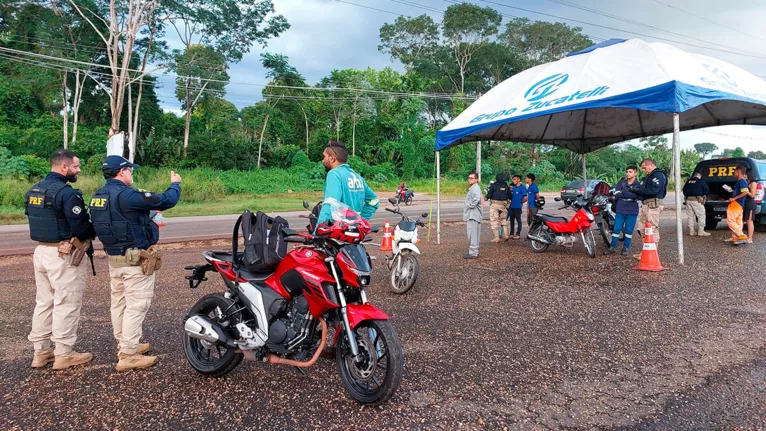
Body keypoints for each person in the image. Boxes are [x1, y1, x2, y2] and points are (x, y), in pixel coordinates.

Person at [90, 155, 181, 371]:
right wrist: (176, 184)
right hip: (134, 261)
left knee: (119, 304)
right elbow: (166, 201)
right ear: (122, 172)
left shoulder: (98, 196)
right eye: (130, 170)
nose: (132, 173)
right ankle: (128, 355)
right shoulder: (127, 195)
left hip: (114, 258)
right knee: (136, 305)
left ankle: (125, 344)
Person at [25, 149, 96, 370]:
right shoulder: (67, 193)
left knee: (44, 302)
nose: (78, 170)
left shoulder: (34, 190)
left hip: (41, 252)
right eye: (76, 166)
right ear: (64, 167)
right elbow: (81, 227)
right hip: (63, 254)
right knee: (66, 302)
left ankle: (41, 352)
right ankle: (64, 354)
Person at [316, 141, 379, 227]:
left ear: (332, 158)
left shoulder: (334, 174)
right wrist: (359, 221)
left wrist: (318, 231)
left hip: (338, 233)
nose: (323, 160)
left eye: (324, 156)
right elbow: (374, 201)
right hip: (354, 234)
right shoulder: (357, 177)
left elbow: (330, 204)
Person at [628, 158, 667, 257]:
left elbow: (652, 191)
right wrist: (635, 190)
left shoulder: (658, 175)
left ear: (650, 165)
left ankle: (652, 254)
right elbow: (643, 189)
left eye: (645, 168)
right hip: (645, 204)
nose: (644, 170)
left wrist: (637, 191)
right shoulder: (648, 177)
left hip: (653, 205)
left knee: (652, 229)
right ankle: (645, 252)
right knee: (642, 229)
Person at [604, 166, 640, 256]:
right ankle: (612, 247)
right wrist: (629, 194)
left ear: (635, 173)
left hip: (632, 211)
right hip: (620, 209)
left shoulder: (638, 185)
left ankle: (626, 248)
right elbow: (616, 194)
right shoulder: (621, 183)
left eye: (630, 172)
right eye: (627, 171)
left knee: (629, 231)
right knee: (616, 229)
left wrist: (624, 193)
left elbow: (637, 196)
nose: (628, 173)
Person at [682, 172, 711, 237]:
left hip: (688, 200)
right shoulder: (700, 181)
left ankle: (691, 231)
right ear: (699, 176)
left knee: (690, 216)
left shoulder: (688, 181)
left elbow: (684, 190)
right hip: (697, 200)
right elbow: (707, 190)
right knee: (701, 215)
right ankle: (701, 231)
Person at [486, 174, 511, 242]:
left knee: (494, 221)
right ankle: (506, 235)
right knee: (503, 220)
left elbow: (489, 194)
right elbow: (510, 196)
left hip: (494, 205)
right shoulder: (506, 186)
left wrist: (487, 197)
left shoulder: (493, 185)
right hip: (503, 205)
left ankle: (497, 238)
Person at [463, 171, 482, 259]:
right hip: (472, 214)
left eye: (472, 178)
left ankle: (473, 252)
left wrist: (469, 205)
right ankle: (474, 251)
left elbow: (476, 199)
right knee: (473, 234)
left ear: (476, 179)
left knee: (472, 234)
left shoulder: (475, 188)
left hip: (473, 215)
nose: (470, 179)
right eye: (469, 178)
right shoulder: (473, 188)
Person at [508, 175, 527, 239]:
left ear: (518, 180)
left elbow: (525, 197)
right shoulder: (514, 187)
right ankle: (511, 233)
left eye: (514, 179)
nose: (513, 180)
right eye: (513, 179)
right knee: (511, 220)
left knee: (518, 220)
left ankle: (518, 234)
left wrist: (521, 202)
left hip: (518, 207)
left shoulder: (522, 187)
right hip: (512, 206)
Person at [524, 174, 540, 239]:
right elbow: (528, 198)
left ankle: (533, 235)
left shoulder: (534, 186)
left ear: (530, 179)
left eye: (526, 178)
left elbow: (537, 196)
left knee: (534, 221)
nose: (525, 179)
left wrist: (537, 204)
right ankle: (531, 234)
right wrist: (527, 208)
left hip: (534, 206)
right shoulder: (529, 187)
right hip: (530, 206)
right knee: (529, 221)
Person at [744, 169, 758, 244]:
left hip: (750, 203)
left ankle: (750, 238)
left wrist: (746, 191)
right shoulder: (746, 182)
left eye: (745, 174)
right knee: (745, 220)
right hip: (745, 203)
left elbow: (752, 195)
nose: (744, 176)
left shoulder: (753, 183)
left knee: (749, 221)